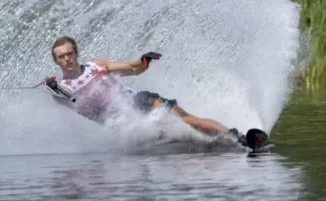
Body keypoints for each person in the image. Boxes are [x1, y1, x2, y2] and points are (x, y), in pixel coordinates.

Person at [45, 36, 243, 140]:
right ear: (56, 61)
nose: (67, 58)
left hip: (139, 102)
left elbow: (133, 68)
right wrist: (54, 87)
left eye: (70, 53)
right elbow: (68, 98)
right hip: (124, 125)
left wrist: (144, 60)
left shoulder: (97, 66)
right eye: (61, 56)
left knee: (186, 120)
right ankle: (208, 143)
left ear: (76, 53)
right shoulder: (62, 89)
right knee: (167, 137)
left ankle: (237, 137)